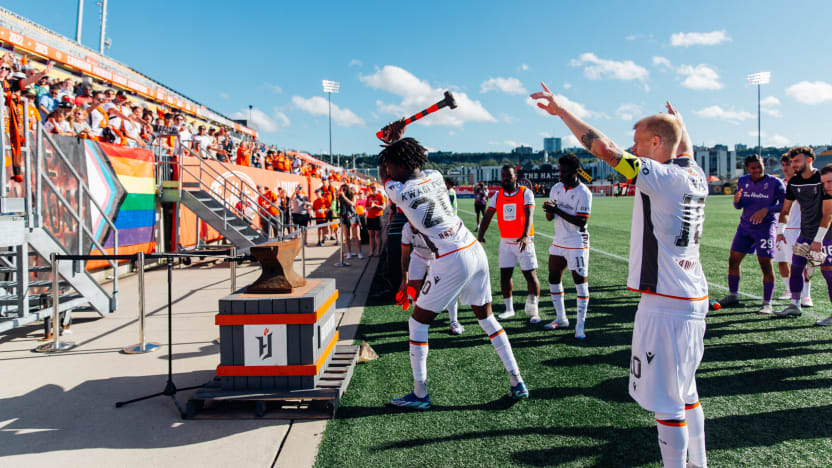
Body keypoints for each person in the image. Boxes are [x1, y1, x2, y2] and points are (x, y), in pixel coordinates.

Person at [532, 83, 708, 468]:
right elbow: (685, 149)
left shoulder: (661, 177)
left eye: (639, 141)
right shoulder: (694, 174)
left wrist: (561, 111)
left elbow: (603, 148)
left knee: (665, 402)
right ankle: (699, 463)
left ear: (658, 143)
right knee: (686, 391)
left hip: (666, 302)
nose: (634, 147)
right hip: (692, 296)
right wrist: (683, 123)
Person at [380, 137, 528, 410]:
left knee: (417, 323)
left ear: (400, 164)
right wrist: (396, 141)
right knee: (487, 319)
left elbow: (383, 176)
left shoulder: (399, 191)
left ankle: (420, 394)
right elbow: (401, 169)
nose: (388, 171)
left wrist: (391, 144)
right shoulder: (436, 175)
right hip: (473, 249)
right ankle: (517, 381)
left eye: (390, 165)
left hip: (451, 257)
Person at [717, 155, 785, 314]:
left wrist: (767, 209)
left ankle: (767, 303)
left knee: (765, 265)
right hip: (745, 228)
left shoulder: (775, 183)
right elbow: (738, 205)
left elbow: (784, 205)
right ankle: (733, 295)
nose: (757, 170)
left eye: (759, 166)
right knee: (733, 261)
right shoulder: (742, 181)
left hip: (764, 229)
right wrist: (736, 201)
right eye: (753, 167)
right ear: (747, 168)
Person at [476, 166, 541, 322]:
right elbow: (488, 216)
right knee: (505, 276)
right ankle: (509, 309)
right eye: (503, 175)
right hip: (505, 241)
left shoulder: (526, 192)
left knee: (530, 276)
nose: (505, 178)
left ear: (515, 176)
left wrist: (525, 236)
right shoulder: (498, 195)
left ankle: (534, 311)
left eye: (508, 175)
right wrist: (480, 235)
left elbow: (529, 214)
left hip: (524, 241)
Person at [775, 147, 832, 318]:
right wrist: (780, 230)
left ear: (809, 160)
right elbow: (785, 210)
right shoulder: (794, 182)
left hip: (826, 236)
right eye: (791, 162)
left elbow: (828, 213)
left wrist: (818, 239)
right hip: (805, 234)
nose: (793, 165)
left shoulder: (822, 179)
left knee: (828, 273)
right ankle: (795, 304)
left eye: (797, 161)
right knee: (797, 266)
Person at [542, 153, 593, 338]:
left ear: (574, 171)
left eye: (564, 171)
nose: (560, 173)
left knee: (580, 282)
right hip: (559, 241)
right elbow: (550, 217)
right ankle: (561, 318)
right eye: (559, 170)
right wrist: (550, 210)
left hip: (577, 241)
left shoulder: (584, 193)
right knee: (553, 277)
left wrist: (557, 210)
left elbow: (581, 221)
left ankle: (580, 326)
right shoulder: (556, 188)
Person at [400, 221, 463, 335]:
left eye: (414, 223)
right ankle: (418, 322)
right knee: (413, 289)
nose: (411, 226)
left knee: (448, 288)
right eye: (410, 222)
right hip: (418, 256)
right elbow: (404, 255)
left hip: (438, 257)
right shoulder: (406, 228)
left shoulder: (433, 227)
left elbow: (448, 247)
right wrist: (405, 280)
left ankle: (454, 321)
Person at [772, 153, 813, 304]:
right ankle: (790, 289)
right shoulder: (778, 184)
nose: (785, 168)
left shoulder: (800, 184)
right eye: (783, 165)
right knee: (781, 261)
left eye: (788, 164)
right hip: (778, 228)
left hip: (796, 228)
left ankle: (806, 295)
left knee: (801, 263)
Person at [813, 164, 832, 326]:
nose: (827, 186)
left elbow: (828, 215)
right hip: (827, 239)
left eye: (830, 182)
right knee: (828, 275)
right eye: (824, 182)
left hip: (824, 239)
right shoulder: (824, 194)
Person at [338, 184, 363, 259]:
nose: (343, 191)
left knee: (356, 236)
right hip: (345, 217)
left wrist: (344, 197)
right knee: (347, 236)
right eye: (342, 190)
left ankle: (360, 252)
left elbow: (352, 204)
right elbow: (339, 207)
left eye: (345, 189)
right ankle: (348, 252)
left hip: (353, 216)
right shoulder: (340, 197)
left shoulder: (352, 195)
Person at [366, 183, 386, 256]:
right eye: (371, 188)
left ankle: (378, 251)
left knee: (377, 234)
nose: (373, 189)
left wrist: (375, 206)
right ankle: (371, 251)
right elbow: (367, 208)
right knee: (371, 235)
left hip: (378, 217)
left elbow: (383, 207)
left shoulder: (380, 196)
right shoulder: (369, 197)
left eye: (374, 187)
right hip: (370, 217)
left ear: (377, 188)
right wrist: (371, 207)